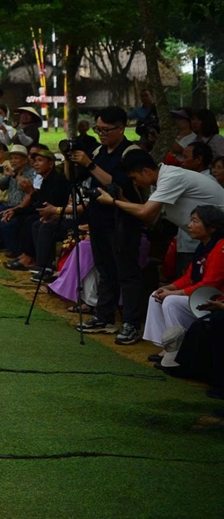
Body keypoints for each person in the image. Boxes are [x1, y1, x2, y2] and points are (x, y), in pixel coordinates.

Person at [69, 107, 146, 343]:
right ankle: (104, 316)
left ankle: (132, 323)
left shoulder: (130, 152)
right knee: (104, 268)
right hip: (98, 218)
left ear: (121, 128)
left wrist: (90, 164)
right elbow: (76, 179)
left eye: (106, 130)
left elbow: (118, 185)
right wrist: (71, 160)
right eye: (98, 129)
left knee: (127, 272)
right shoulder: (99, 150)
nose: (101, 134)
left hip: (123, 220)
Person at [102, 149, 224, 265]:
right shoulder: (159, 182)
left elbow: (145, 212)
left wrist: (112, 201)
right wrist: (121, 199)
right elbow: (151, 219)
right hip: (210, 237)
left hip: (218, 235)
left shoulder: (171, 177)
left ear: (146, 171)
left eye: (134, 178)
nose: (135, 183)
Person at [141, 206, 224, 370]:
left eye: (195, 221)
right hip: (200, 295)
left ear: (212, 227)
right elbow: (189, 277)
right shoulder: (203, 245)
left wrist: (173, 293)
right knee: (156, 295)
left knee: (171, 301)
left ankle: (177, 349)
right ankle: (167, 347)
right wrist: (169, 287)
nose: (189, 225)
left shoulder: (220, 247)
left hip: (215, 299)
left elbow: (209, 285)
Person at [9, 146, 72, 275]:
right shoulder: (46, 181)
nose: (35, 164)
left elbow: (47, 205)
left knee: (38, 223)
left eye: (39, 160)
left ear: (50, 163)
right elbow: (39, 205)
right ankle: (30, 257)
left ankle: (44, 265)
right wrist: (16, 210)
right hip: (52, 214)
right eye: (35, 161)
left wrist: (31, 192)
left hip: (63, 215)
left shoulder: (58, 180)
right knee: (29, 220)